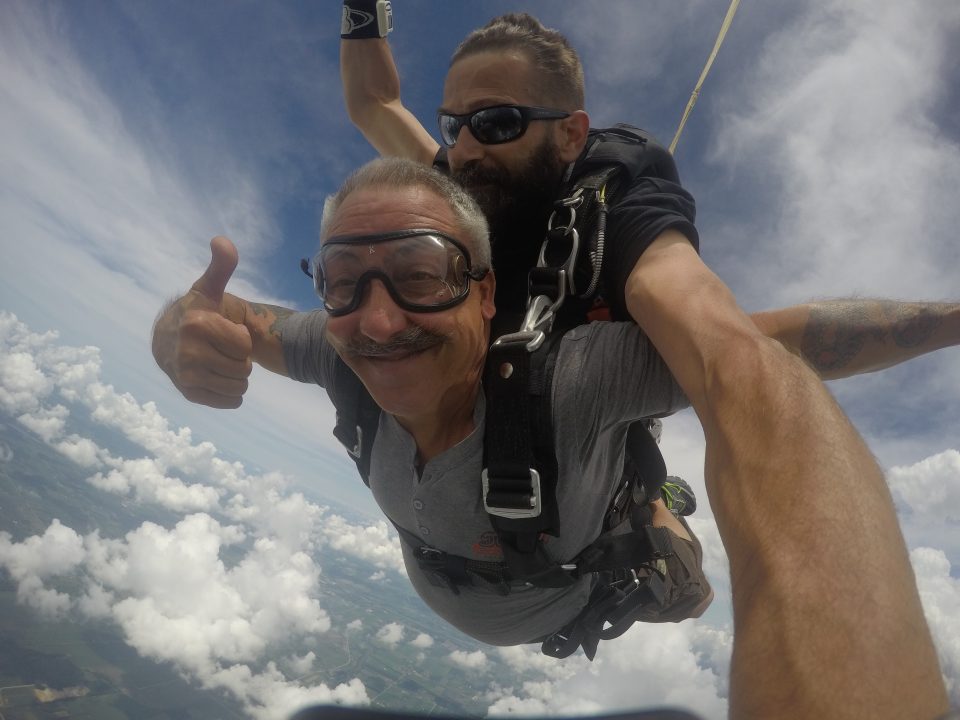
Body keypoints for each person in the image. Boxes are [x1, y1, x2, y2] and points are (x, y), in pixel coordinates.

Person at [157, 157, 950, 719]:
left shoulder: (570, 381)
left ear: (485, 291)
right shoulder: (332, 353)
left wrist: (952, 321)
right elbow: (222, 318)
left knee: (681, 581)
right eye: (340, 280)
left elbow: (771, 345)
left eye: (420, 272)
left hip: (578, 592)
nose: (376, 317)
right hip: (474, 577)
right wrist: (176, 335)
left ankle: (660, 511)